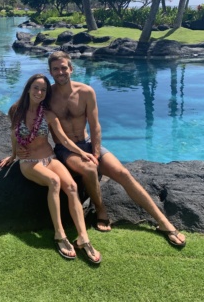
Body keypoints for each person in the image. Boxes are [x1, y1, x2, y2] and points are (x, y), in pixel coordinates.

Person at [44, 51, 185, 247]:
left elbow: (95, 126)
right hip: (65, 149)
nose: (60, 72)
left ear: (71, 68)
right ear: (50, 71)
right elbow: (24, 113)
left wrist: (95, 151)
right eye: (56, 69)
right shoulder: (46, 96)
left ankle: (163, 222)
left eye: (63, 68)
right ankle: (101, 209)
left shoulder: (85, 92)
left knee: (123, 173)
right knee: (89, 169)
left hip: (88, 143)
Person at [0, 73, 102, 263]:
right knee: (54, 181)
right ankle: (59, 234)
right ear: (28, 88)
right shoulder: (15, 110)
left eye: (43, 90)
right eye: (36, 88)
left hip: (49, 157)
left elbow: (63, 139)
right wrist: (13, 155)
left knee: (71, 187)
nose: (39, 92)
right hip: (29, 162)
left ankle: (83, 237)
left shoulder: (47, 114)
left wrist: (82, 153)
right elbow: (14, 134)